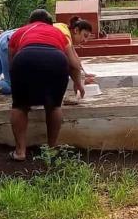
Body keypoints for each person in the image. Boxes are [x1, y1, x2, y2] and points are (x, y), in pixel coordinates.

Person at [7, 13, 86, 161]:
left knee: (19, 106)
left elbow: (11, 61)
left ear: (30, 21)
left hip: (25, 58)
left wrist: (17, 83)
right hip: (56, 59)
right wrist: (78, 83)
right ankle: (51, 149)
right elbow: (74, 64)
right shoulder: (57, 32)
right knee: (54, 106)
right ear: (49, 23)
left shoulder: (20, 31)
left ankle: (20, 152)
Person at [0, 11, 97, 95]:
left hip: (6, 37)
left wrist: (83, 74)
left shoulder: (62, 27)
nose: (85, 41)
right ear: (76, 30)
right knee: (13, 86)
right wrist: (80, 81)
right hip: (11, 42)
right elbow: (72, 63)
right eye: (85, 36)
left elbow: (74, 57)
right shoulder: (64, 35)